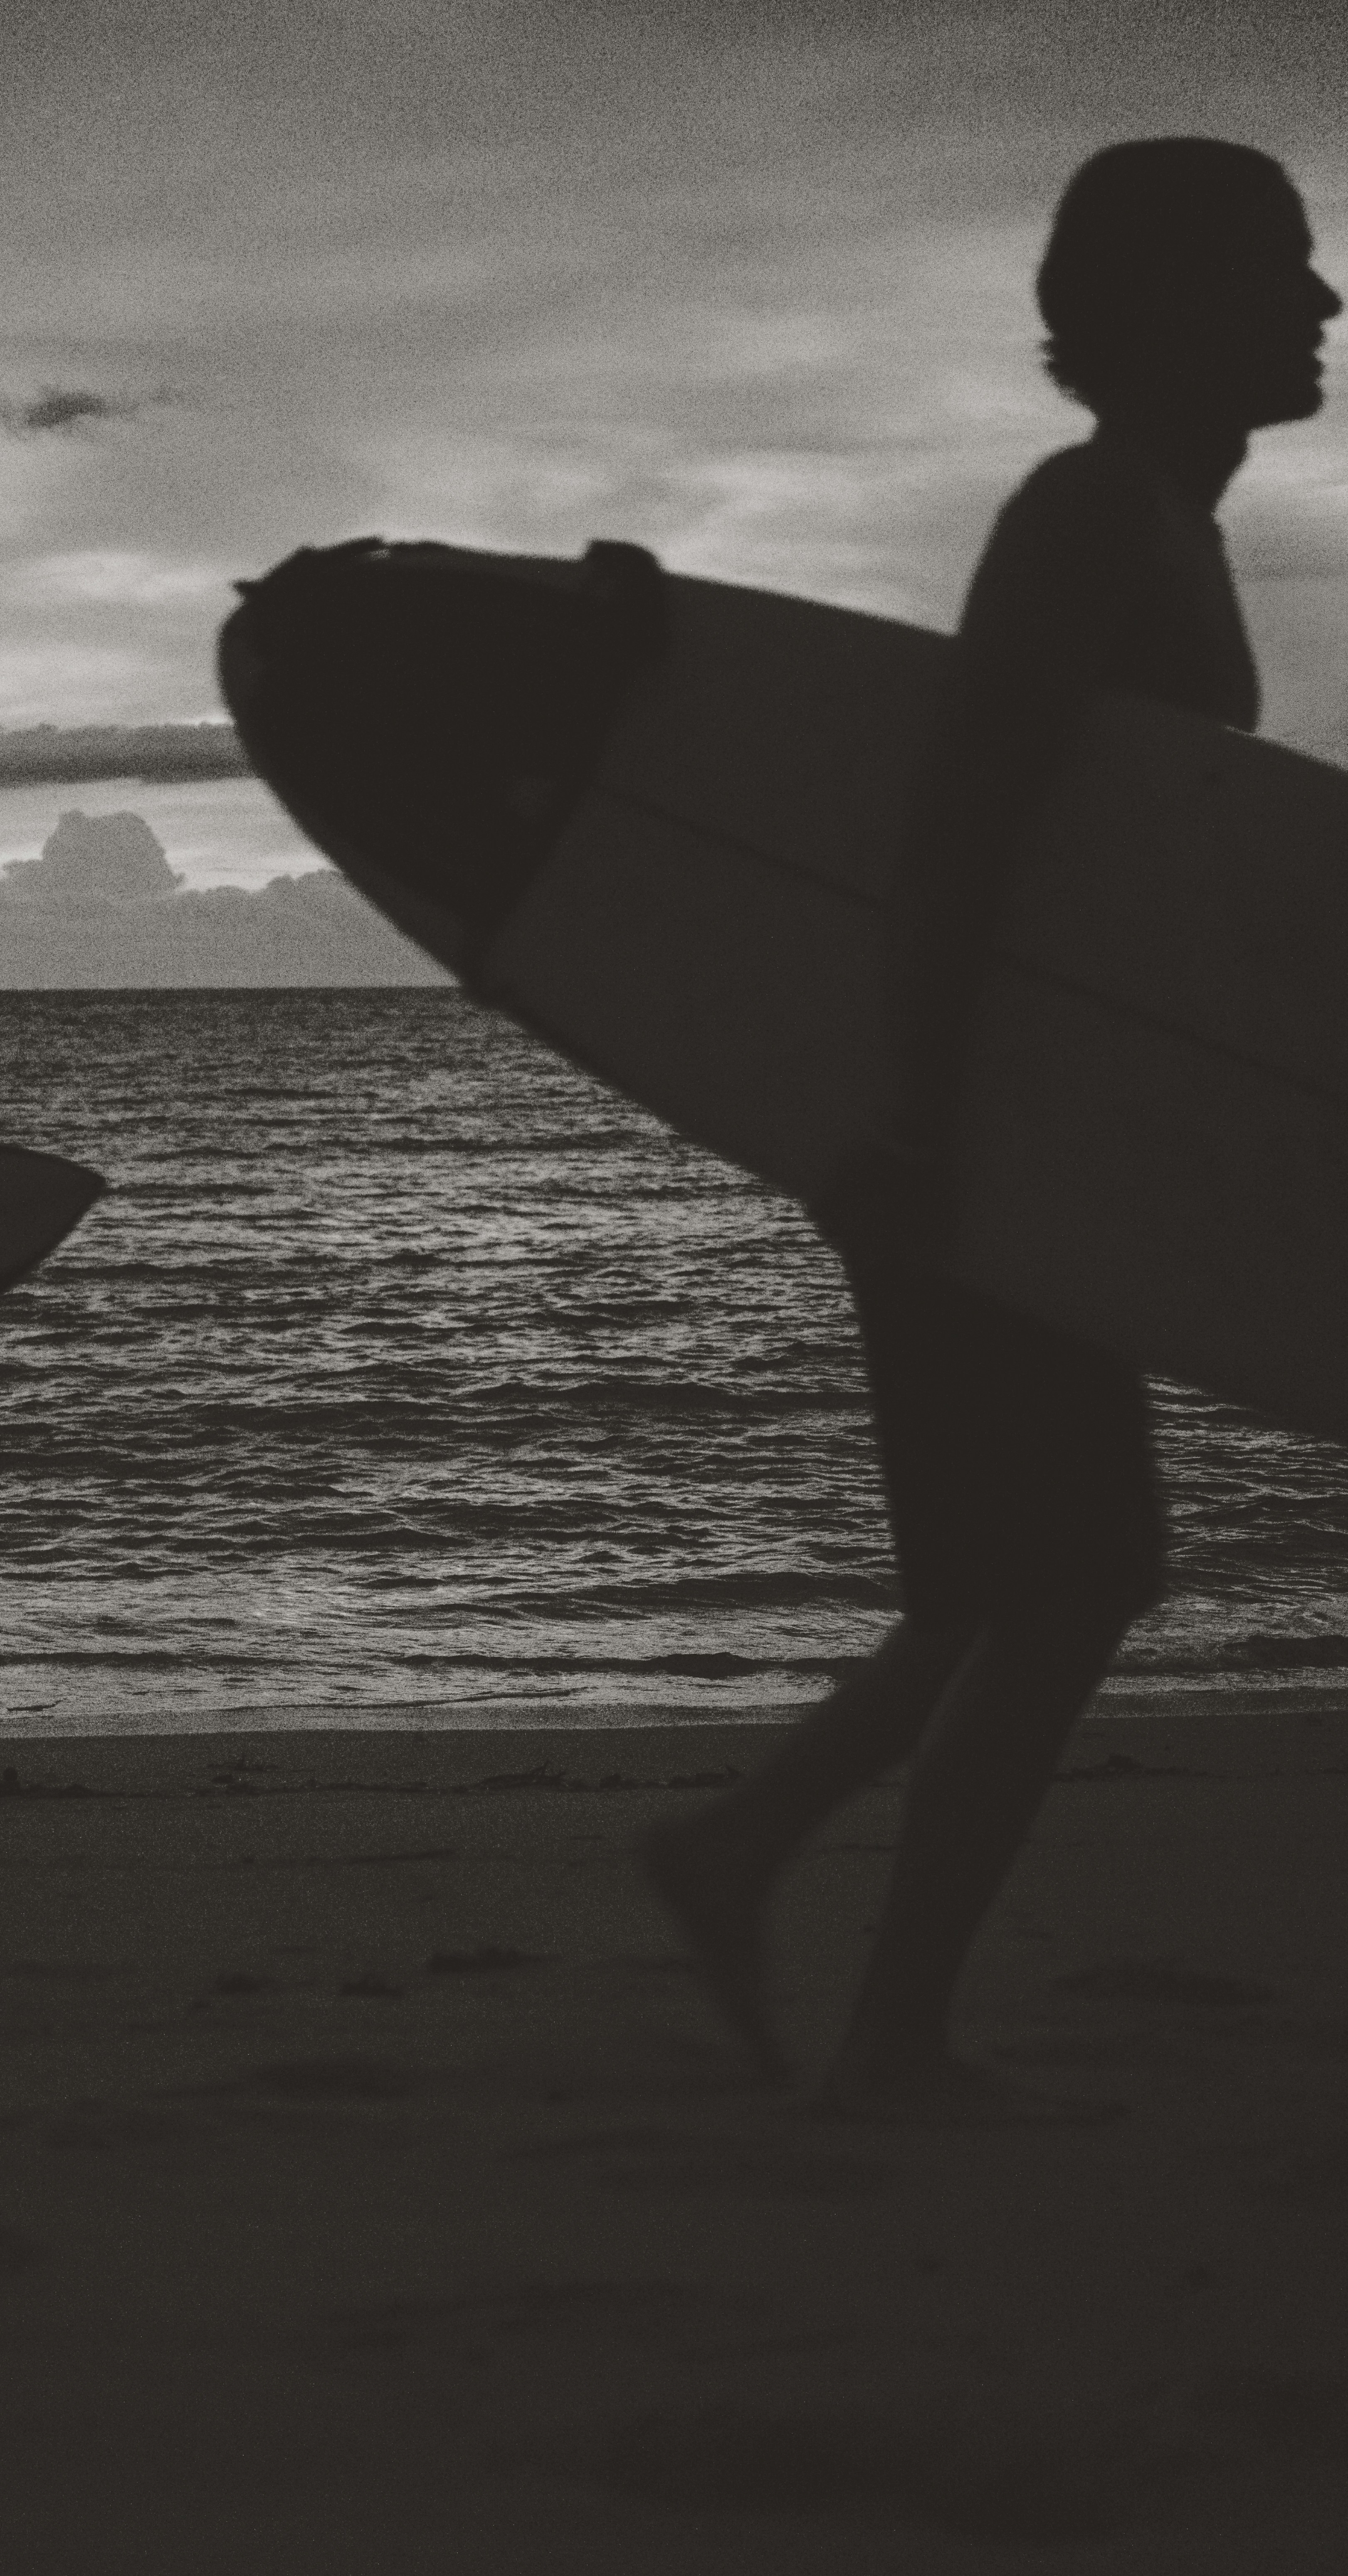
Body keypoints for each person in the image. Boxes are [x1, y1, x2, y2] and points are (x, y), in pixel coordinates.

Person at [643, 138, 1341, 2116]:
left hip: (1040, 1124)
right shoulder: (1091, 513)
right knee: (1066, 1574)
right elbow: (951, 826)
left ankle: (749, 1866)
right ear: (1152, 305)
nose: (1324, 306)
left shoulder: (1164, 523)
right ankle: (874, 2017)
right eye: (1278, 271)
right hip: (970, 1126)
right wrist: (919, 1126)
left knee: (1012, 1575)